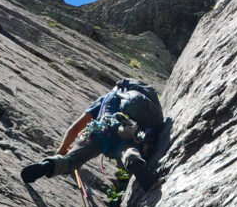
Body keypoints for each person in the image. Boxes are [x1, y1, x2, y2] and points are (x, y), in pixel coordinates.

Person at [21, 77, 163, 191]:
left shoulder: (107, 98)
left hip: (100, 132)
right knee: (127, 151)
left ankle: (49, 165)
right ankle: (133, 161)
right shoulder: (142, 103)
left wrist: (62, 151)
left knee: (71, 161)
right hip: (126, 133)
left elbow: (75, 128)